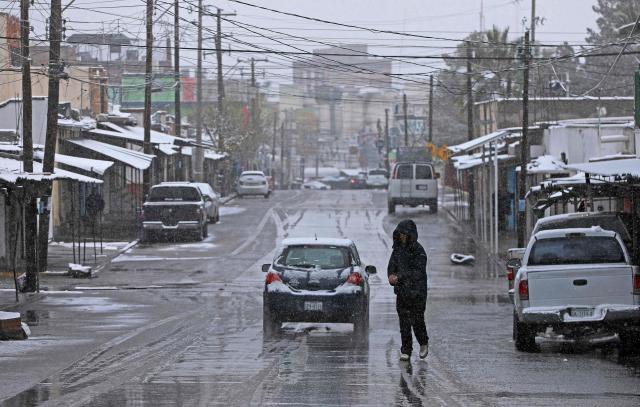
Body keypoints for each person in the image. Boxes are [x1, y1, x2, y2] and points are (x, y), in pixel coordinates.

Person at [387, 219, 429, 361]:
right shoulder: (397, 251)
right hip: (402, 292)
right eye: (400, 234)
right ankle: (406, 350)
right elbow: (391, 266)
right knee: (404, 322)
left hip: (417, 293)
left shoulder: (419, 251)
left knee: (417, 321)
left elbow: (418, 272)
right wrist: (391, 276)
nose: (402, 237)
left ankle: (423, 342)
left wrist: (400, 277)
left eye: (405, 234)